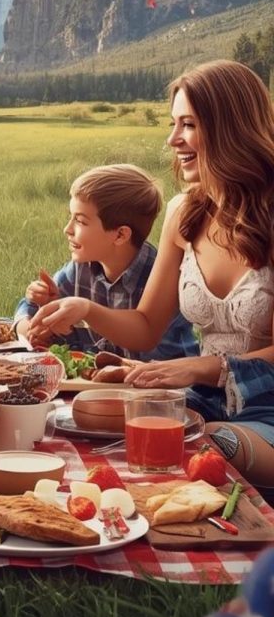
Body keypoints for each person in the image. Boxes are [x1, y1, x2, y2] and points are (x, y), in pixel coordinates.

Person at [31, 61, 274, 487]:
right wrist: (86, 307)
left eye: (188, 124)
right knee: (74, 421)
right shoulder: (185, 212)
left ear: (229, 128)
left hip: (264, 410)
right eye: (173, 123)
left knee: (205, 447)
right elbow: (145, 328)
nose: (173, 139)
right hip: (204, 401)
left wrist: (199, 368)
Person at [13, 164, 198, 361]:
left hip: (166, 385)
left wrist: (86, 314)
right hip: (100, 387)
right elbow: (27, 313)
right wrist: (36, 324)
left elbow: (156, 363)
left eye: (81, 221)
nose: (67, 229)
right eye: (71, 217)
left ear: (120, 235)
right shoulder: (80, 269)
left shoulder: (159, 278)